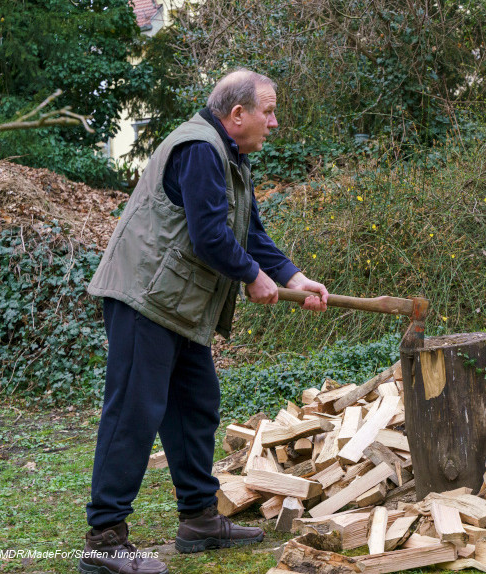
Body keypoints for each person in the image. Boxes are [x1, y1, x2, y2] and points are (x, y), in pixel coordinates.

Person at [81, 69, 329, 574]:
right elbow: (210, 236)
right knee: (134, 412)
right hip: (144, 298)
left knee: (196, 405)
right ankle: (104, 540)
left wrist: (292, 276)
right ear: (237, 114)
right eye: (269, 111)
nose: (274, 122)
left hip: (177, 304)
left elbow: (249, 231)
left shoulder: (229, 157)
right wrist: (253, 278)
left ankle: (198, 520)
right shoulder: (199, 149)